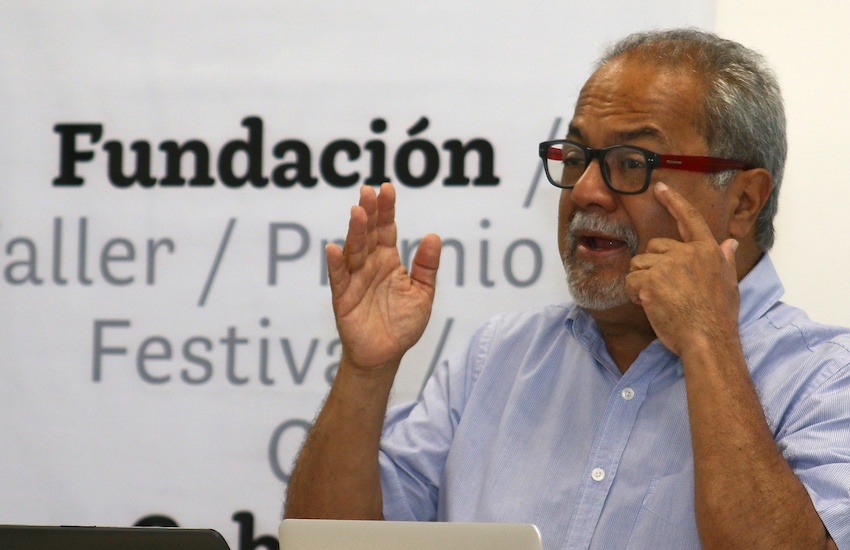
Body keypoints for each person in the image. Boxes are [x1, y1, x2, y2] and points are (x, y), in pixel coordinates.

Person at [284, 28, 850, 549]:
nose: (586, 191)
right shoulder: (499, 359)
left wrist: (708, 342)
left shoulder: (827, 380)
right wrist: (365, 373)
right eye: (576, 157)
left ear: (744, 201)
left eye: (631, 162)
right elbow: (331, 541)